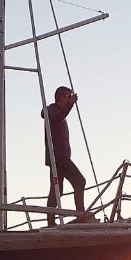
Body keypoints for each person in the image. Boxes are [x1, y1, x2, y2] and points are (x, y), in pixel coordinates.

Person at [43, 86, 86, 226]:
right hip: (58, 158)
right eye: (67, 96)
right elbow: (55, 116)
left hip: (61, 157)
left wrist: (69, 105)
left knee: (57, 189)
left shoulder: (58, 112)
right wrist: (70, 105)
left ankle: (51, 220)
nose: (69, 99)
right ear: (61, 97)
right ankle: (80, 213)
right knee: (79, 181)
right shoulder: (52, 110)